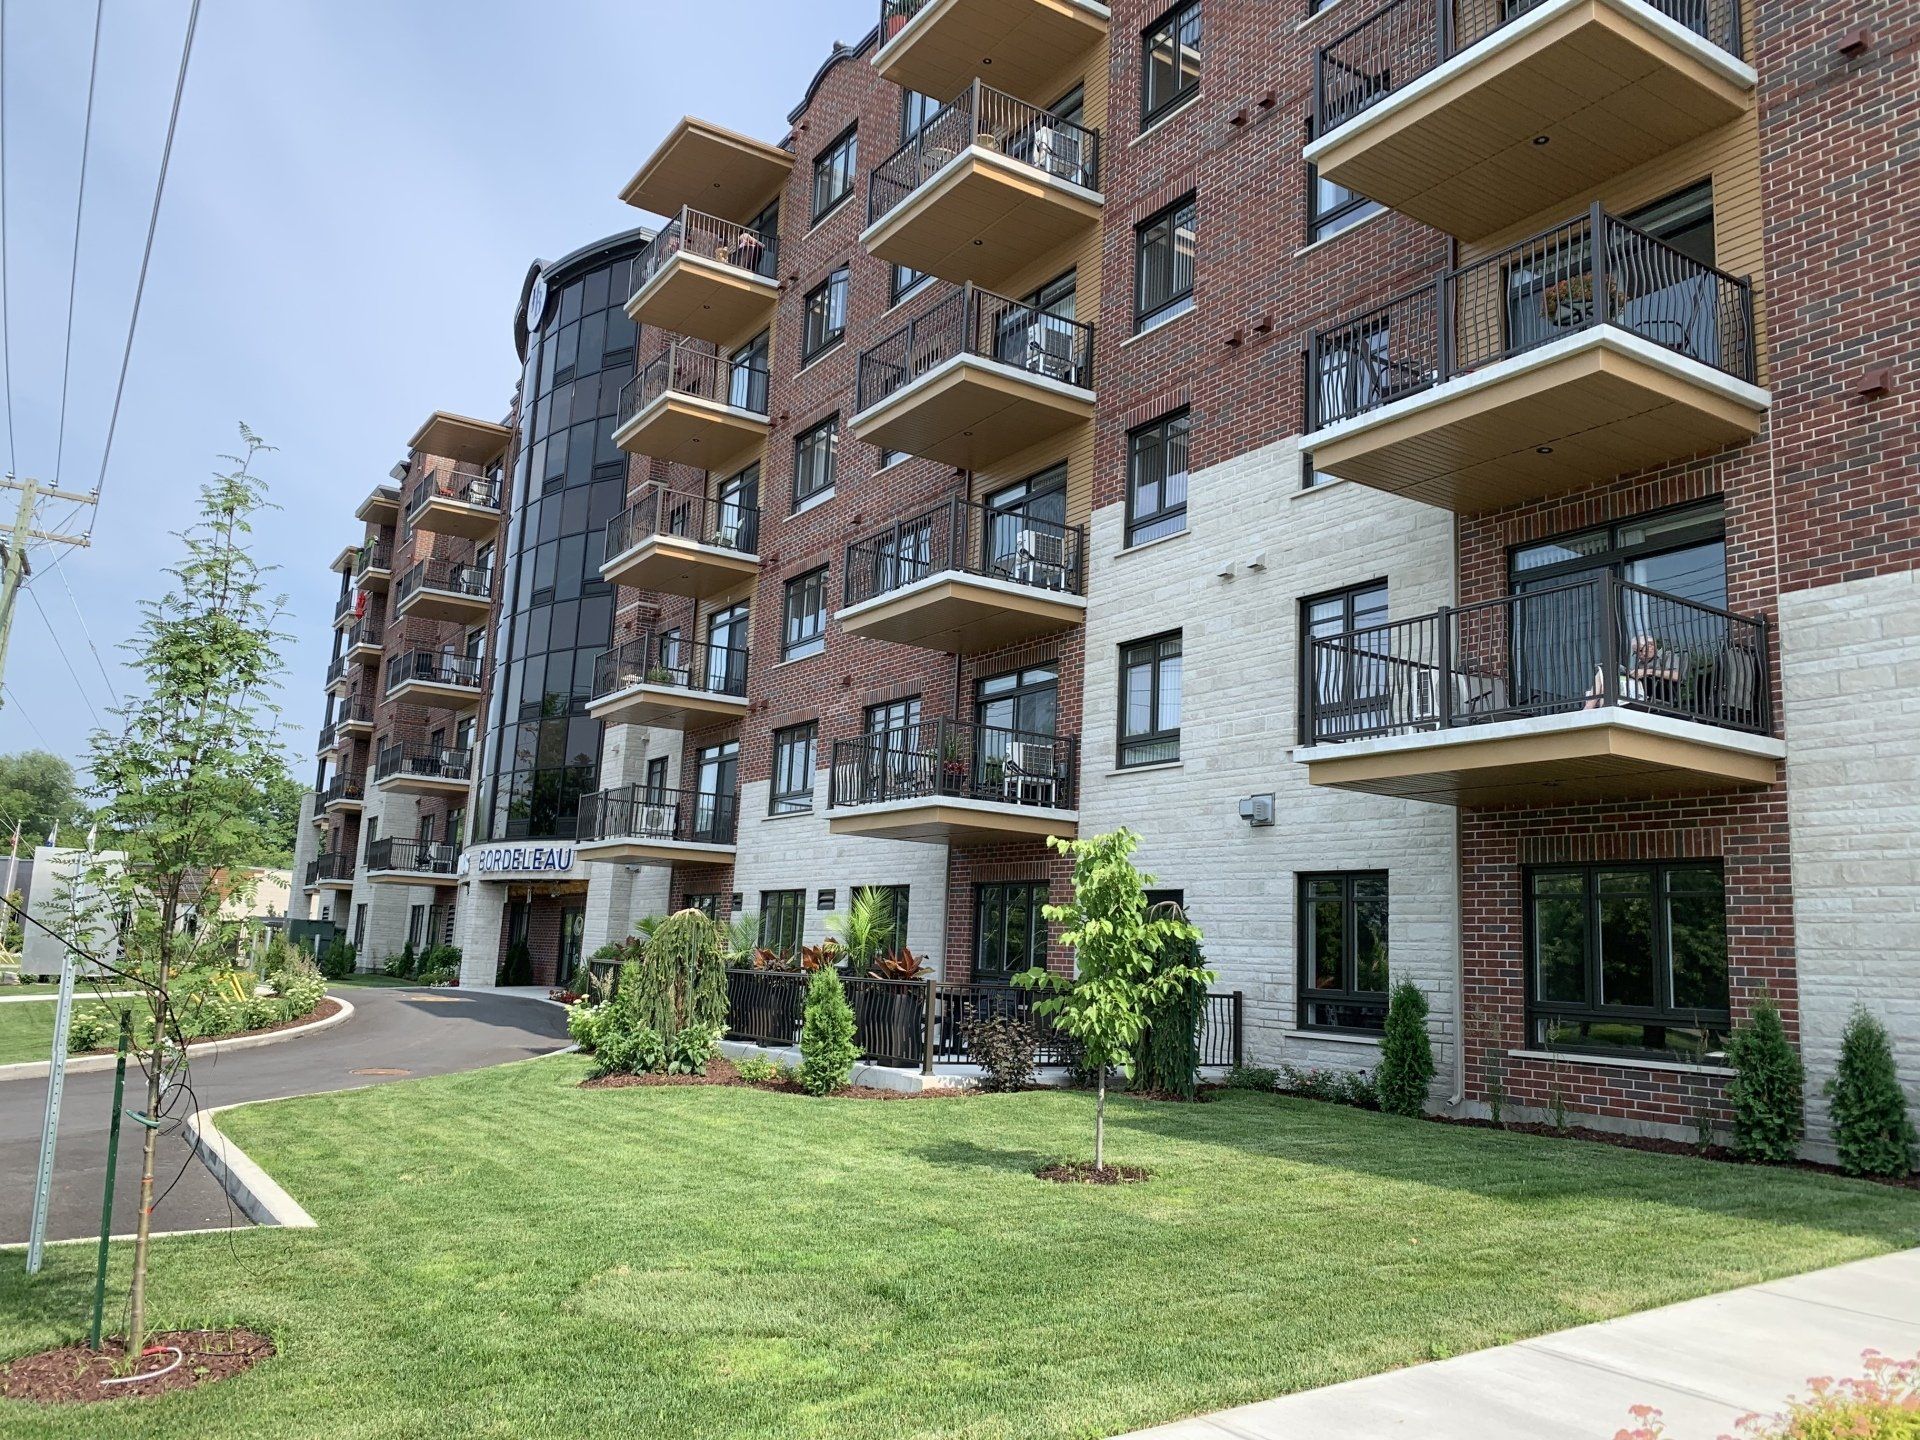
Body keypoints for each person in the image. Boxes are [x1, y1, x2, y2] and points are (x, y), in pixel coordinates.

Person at [1585, 633, 1682, 709]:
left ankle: (1595, 707)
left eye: (1640, 650)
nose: (1639, 655)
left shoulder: (1667, 655)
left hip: (1659, 691)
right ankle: (1596, 706)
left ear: (1651, 646)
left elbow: (1676, 676)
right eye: (1636, 653)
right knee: (1606, 672)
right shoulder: (1641, 663)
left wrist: (1647, 671)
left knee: (1609, 679)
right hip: (1638, 690)